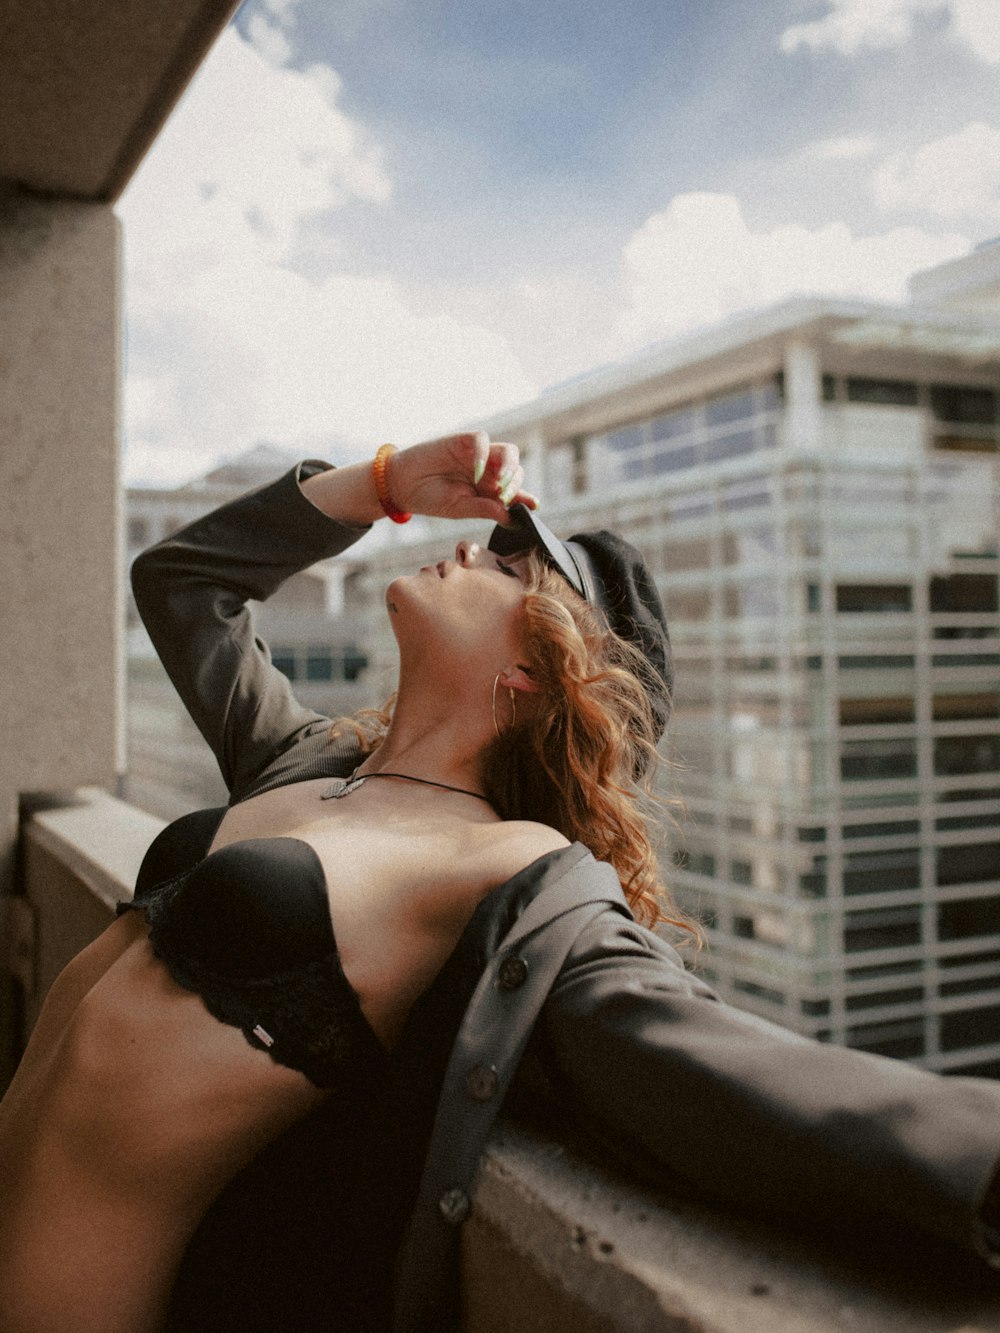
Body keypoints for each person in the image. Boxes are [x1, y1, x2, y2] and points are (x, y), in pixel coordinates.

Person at [1, 431, 999, 1333]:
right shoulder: (304, 765)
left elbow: (701, 1058)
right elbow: (182, 584)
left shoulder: (506, 866)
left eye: (513, 564)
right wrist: (389, 481)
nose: (475, 545)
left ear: (536, 667)